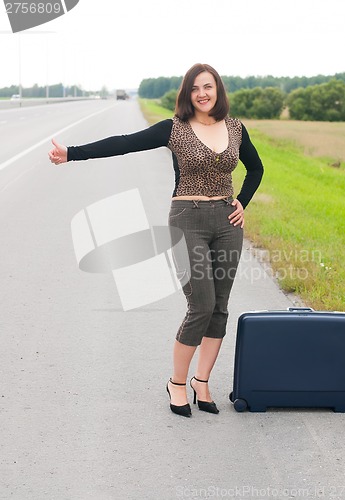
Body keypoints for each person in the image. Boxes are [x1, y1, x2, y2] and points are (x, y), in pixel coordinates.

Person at [49, 63, 264, 418]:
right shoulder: (173, 129)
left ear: (218, 90)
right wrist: (72, 153)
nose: (202, 94)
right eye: (195, 89)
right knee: (201, 305)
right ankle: (177, 383)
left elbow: (255, 167)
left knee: (220, 307)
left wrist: (243, 200)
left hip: (228, 222)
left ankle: (202, 381)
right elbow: (124, 144)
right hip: (187, 220)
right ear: (187, 94)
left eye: (208, 87)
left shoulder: (236, 128)